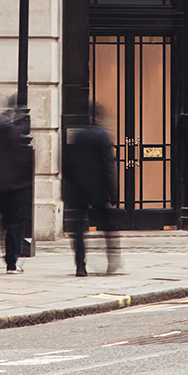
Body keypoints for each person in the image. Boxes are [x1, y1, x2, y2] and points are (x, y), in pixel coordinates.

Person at [0, 96, 34, 275]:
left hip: (2, 182)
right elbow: (24, 156)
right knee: (15, 224)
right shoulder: (16, 127)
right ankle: (11, 262)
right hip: (18, 183)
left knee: (3, 222)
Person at [63, 103, 118, 277]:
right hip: (98, 188)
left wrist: (70, 186)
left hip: (79, 189)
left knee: (79, 230)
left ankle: (80, 266)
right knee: (107, 226)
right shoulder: (102, 135)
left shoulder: (78, 136)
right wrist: (113, 193)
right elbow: (108, 167)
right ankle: (112, 260)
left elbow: (67, 164)